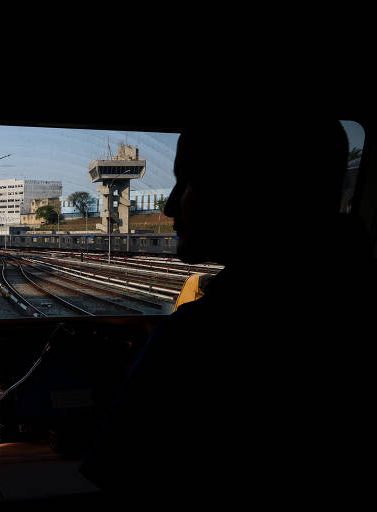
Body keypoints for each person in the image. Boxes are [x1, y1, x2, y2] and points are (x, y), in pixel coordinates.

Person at [78, 117, 375, 507]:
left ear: (250, 191)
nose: (169, 206)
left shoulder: (201, 337)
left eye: (188, 181)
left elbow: (120, 477)